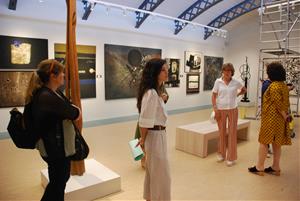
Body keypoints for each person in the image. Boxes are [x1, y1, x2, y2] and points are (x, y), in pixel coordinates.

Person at [26, 59, 81, 201]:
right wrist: (75, 110)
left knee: (58, 181)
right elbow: (74, 113)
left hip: (53, 147)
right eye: (62, 73)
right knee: (58, 183)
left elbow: (69, 110)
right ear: (53, 76)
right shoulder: (47, 97)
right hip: (55, 149)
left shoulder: (48, 93)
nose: (64, 75)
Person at [248, 62, 292, 176]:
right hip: (279, 121)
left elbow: (278, 103)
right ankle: (275, 166)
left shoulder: (274, 86)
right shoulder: (283, 85)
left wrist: (284, 115)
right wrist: (285, 117)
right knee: (277, 143)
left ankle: (259, 166)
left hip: (271, 119)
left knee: (263, 142)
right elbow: (285, 103)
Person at [136, 58, 171, 201]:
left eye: (167, 69)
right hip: (155, 137)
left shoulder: (155, 92)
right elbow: (144, 121)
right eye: (163, 70)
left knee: (155, 175)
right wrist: (143, 141)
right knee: (161, 176)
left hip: (159, 135)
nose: (166, 72)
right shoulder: (151, 93)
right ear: (155, 72)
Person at [211, 63, 246, 167]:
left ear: (232, 72)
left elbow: (244, 89)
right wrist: (215, 109)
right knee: (221, 132)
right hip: (220, 110)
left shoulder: (236, 82)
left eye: (229, 71)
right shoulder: (218, 82)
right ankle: (221, 154)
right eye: (225, 70)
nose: (227, 73)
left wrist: (238, 94)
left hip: (232, 110)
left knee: (232, 133)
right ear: (222, 71)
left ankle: (231, 157)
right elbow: (213, 96)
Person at [135, 84, 168, 169]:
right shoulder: (148, 90)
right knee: (141, 138)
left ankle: (148, 160)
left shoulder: (161, 86)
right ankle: (142, 159)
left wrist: (164, 97)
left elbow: (166, 95)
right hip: (146, 118)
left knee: (147, 140)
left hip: (156, 119)